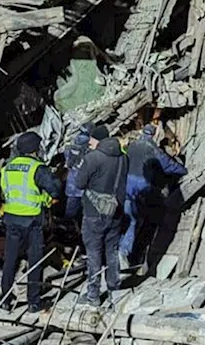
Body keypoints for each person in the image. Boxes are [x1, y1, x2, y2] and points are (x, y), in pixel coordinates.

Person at [0, 131, 60, 313]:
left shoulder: (7, 168)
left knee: (10, 260)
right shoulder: (37, 168)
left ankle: (5, 300)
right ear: (35, 148)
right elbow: (55, 190)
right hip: (32, 221)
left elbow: (5, 192)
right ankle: (33, 302)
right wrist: (45, 199)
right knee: (35, 261)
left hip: (11, 220)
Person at [120, 124, 187, 270]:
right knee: (135, 218)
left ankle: (118, 247)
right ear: (154, 135)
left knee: (125, 214)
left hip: (125, 182)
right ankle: (125, 252)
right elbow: (169, 166)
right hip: (141, 185)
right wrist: (183, 170)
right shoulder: (154, 149)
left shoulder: (132, 146)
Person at [73, 124, 126, 306]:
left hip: (93, 212)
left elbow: (79, 184)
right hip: (115, 211)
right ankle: (114, 292)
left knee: (94, 253)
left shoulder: (92, 158)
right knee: (111, 252)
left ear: (97, 139)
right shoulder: (122, 158)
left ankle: (93, 296)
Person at [63, 123, 94, 220]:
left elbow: (67, 161)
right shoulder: (89, 149)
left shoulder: (69, 146)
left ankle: (67, 225)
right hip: (85, 185)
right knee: (86, 211)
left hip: (72, 183)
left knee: (70, 209)